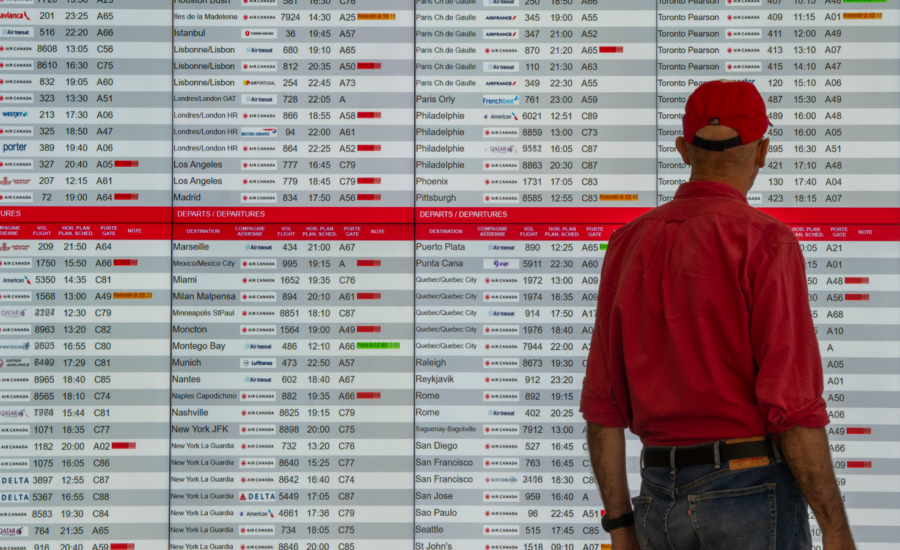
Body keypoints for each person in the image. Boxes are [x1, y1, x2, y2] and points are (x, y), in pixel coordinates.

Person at [580, 80, 856, 550]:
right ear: (764, 150)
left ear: (684, 150)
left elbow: (601, 406)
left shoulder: (626, 244)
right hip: (749, 493)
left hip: (655, 500)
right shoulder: (766, 242)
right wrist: (835, 529)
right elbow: (792, 408)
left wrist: (621, 526)